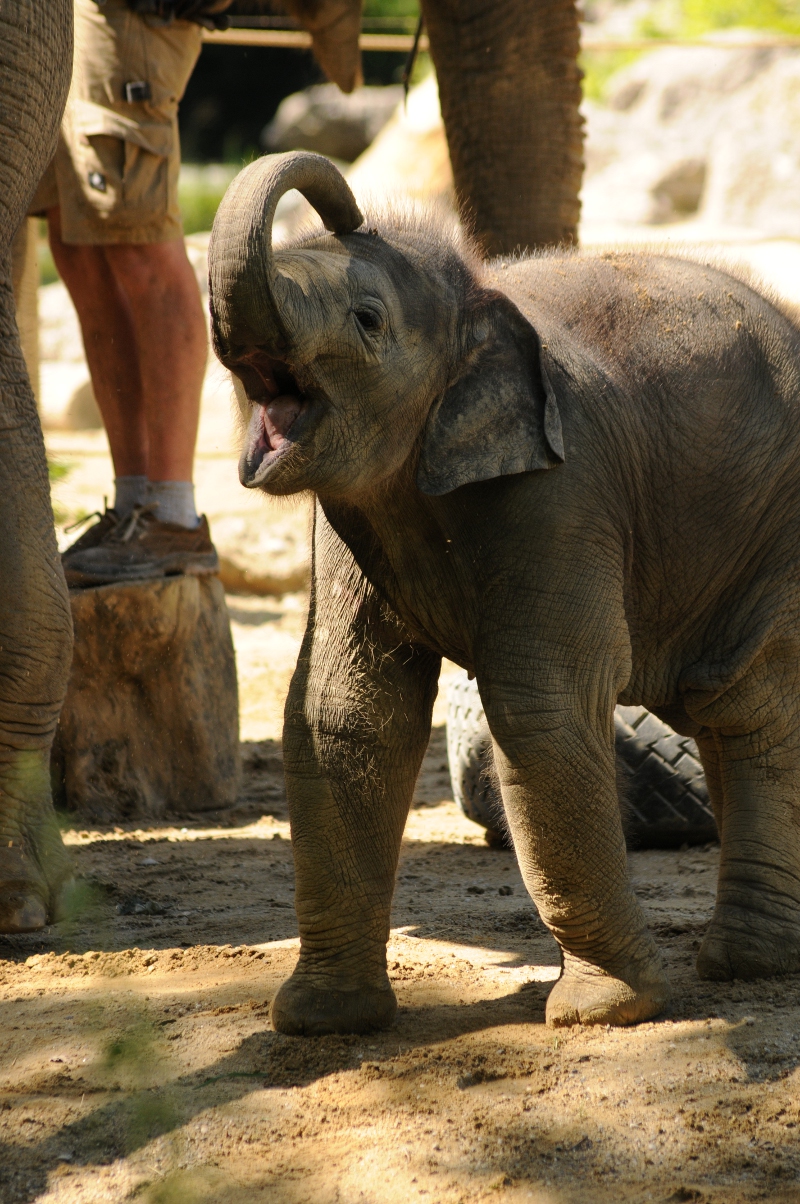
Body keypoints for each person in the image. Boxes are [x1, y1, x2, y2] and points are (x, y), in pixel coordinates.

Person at [30, 0, 230, 585]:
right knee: (79, 240)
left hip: (133, 12)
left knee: (135, 241)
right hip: (63, 15)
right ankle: (133, 508)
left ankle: (174, 517)